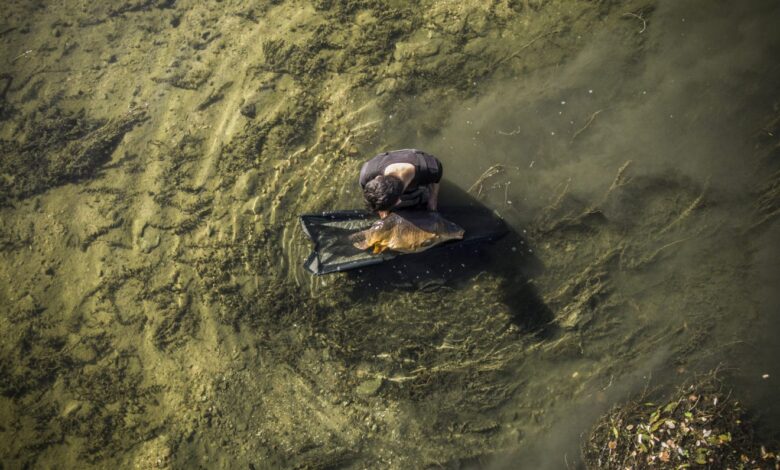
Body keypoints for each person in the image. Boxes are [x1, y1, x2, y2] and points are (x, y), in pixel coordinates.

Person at [359, 149, 443, 219]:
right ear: (377, 178)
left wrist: (433, 199)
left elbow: (435, 182)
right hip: (385, 159)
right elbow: (373, 197)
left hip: (415, 158)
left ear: (398, 201)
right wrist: (383, 210)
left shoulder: (432, 169)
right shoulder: (366, 175)